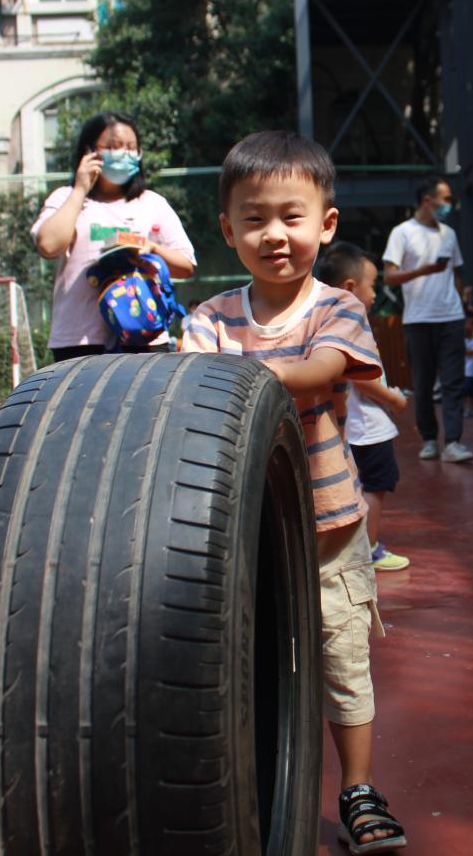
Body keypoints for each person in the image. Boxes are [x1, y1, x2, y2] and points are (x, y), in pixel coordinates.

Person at [181, 131, 407, 848]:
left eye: (291, 216)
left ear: (326, 224)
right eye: (254, 219)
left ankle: (358, 790)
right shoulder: (210, 319)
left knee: (342, 659)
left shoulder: (337, 308)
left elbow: (322, 371)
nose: (274, 234)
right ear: (228, 230)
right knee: (249, 664)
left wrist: (244, 373)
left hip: (329, 526)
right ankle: (260, 784)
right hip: (243, 529)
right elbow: (190, 384)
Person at [32, 111, 197, 361]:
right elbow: (48, 245)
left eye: (131, 147)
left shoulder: (153, 203)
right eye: (113, 146)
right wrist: (80, 189)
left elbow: (186, 266)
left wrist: (152, 249)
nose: (124, 153)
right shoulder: (66, 198)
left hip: (144, 337)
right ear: (89, 151)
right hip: (80, 341)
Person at [317, 241, 413, 573]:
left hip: (349, 427)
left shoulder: (324, 322)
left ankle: (350, 549)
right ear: (349, 288)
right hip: (368, 429)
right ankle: (369, 549)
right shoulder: (351, 325)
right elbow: (362, 379)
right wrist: (393, 399)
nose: (374, 294)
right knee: (375, 486)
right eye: (371, 285)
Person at [382, 178, 473, 463]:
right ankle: (430, 439)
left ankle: (454, 442)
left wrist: (465, 312)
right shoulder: (402, 232)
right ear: (427, 199)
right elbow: (389, 276)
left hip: (451, 316)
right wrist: (422, 271)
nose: (449, 205)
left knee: (453, 382)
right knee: (422, 384)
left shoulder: (449, 234)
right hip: (418, 319)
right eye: (445, 199)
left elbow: (456, 275)